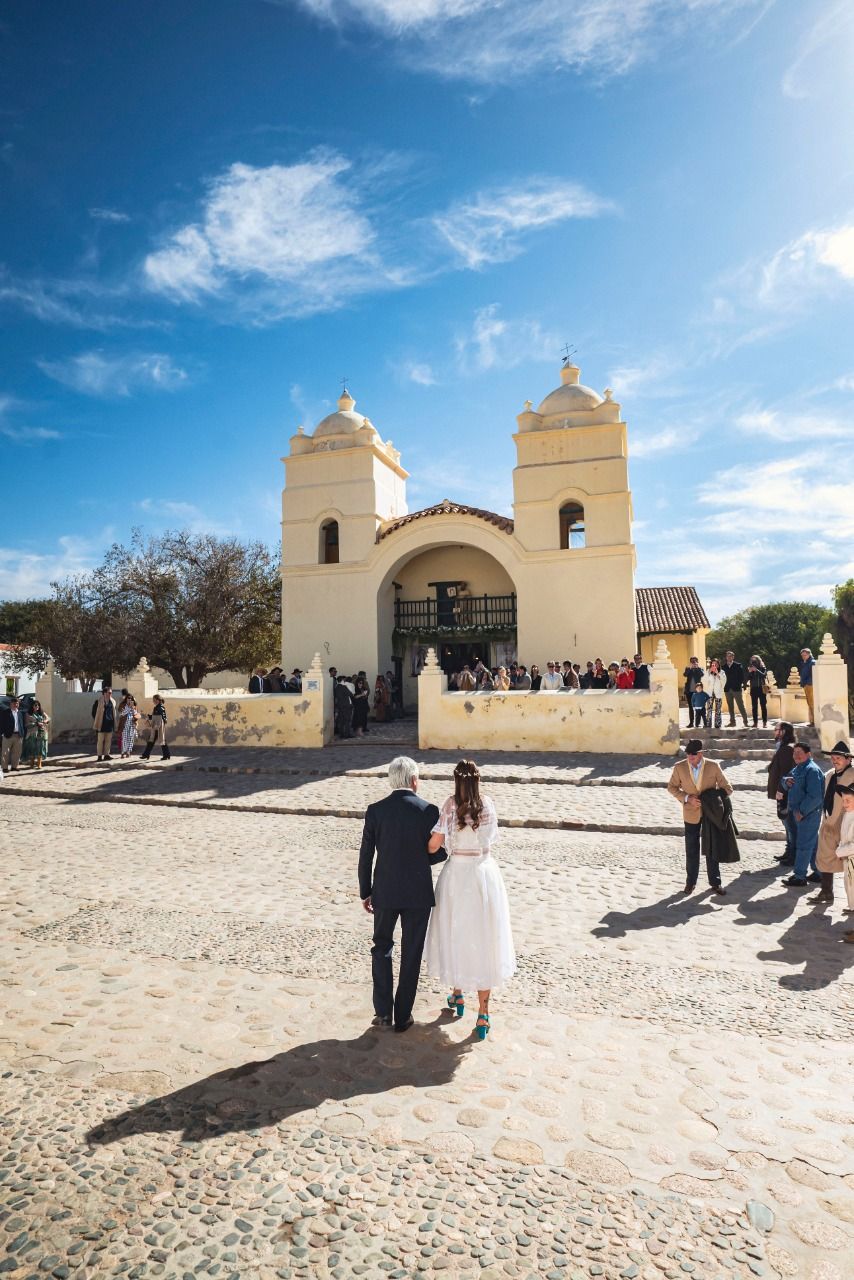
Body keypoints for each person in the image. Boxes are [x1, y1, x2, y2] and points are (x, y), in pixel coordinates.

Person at [425, 759, 515, 1041]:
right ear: (477, 780)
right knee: (484, 936)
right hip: (483, 874)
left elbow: (434, 844)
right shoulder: (486, 805)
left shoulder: (450, 805)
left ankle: (457, 994)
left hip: (456, 875)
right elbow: (491, 838)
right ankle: (484, 1012)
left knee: (456, 933)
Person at [358, 756, 442, 1032]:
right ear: (414, 781)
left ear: (392, 780)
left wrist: (365, 891)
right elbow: (436, 853)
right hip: (417, 893)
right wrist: (419, 856)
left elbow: (366, 855)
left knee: (381, 946)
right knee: (411, 952)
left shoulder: (375, 811)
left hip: (384, 890)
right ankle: (403, 1015)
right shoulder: (428, 810)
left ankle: (383, 1012)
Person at [667, 738, 732, 894]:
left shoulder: (713, 766)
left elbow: (728, 788)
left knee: (712, 849)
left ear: (701, 753)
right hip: (690, 814)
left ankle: (715, 882)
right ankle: (690, 882)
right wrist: (687, 798)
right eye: (688, 754)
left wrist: (710, 799)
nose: (690, 757)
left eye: (694, 754)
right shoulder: (679, 767)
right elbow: (671, 787)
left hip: (711, 815)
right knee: (691, 849)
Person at [812, 742, 854, 904]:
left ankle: (852, 901)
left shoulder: (853, 774)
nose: (835, 760)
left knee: (850, 860)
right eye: (833, 757)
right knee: (824, 857)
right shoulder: (829, 774)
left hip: (847, 822)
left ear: (848, 759)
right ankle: (826, 891)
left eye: (839, 758)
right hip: (829, 821)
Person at [780, 742, 824, 888]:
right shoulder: (798, 769)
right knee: (813, 844)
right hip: (799, 814)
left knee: (804, 845)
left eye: (800, 752)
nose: (796, 755)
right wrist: (786, 782)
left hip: (808, 815)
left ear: (808, 754)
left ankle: (800, 876)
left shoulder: (812, 770)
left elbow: (815, 797)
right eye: (795, 752)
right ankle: (819, 872)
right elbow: (785, 781)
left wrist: (802, 811)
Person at [768, 721, 796, 867]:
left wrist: (781, 791)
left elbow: (786, 773)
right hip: (782, 793)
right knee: (786, 823)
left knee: (789, 824)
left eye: (776, 729)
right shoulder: (783, 748)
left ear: (783, 732)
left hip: (785, 793)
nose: (775, 732)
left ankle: (793, 854)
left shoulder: (786, 749)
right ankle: (789, 851)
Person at [834, 785, 854, 928]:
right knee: (849, 888)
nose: (845, 803)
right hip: (848, 859)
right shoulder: (848, 814)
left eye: (848, 800)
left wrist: (839, 852)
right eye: (843, 800)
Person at [722, 651, 749, 728]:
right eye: (728, 656)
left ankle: (745, 722)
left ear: (733, 657)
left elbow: (741, 677)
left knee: (741, 705)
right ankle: (732, 722)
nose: (729, 657)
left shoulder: (738, 665)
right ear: (726, 657)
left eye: (731, 656)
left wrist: (739, 684)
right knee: (730, 707)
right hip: (727, 689)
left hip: (736, 689)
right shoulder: (723, 667)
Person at [141, 694, 170, 761]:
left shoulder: (160, 707)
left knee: (154, 740)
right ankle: (166, 755)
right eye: (153, 700)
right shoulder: (158, 707)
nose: (153, 701)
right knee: (157, 740)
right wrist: (148, 716)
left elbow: (160, 717)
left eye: (154, 700)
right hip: (157, 726)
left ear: (158, 700)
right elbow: (155, 716)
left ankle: (146, 754)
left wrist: (156, 725)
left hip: (158, 726)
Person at [22, 699, 50, 769]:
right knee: (32, 748)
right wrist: (36, 724)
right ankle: (31, 763)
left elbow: (48, 718)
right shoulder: (28, 714)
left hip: (42, 732)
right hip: (32, 733)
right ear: (32, 706)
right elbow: (26, 724)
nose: (37, 706)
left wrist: (45, 721)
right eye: (35, 705)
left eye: (38, 705)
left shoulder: (41, 712)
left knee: (40, 748)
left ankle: (39, 763)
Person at [0, 695, 26, 772]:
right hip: (8, 735)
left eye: (17, 703)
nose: (15, 704)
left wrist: (23, 733)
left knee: (17, 752)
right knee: (5, 752)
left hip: (18, 735)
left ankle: (14, 766)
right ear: (10, 704)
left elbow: (22, 724)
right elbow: (1, 723)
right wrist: (2, 733)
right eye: (14, 703)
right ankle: (4, 768)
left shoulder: (20, 713)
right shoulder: (5, 712)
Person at [92, 686, 117, 762]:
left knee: (108, 741)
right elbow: (93, 713)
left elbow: (114, 713)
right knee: (100, 741)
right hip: (101, 724)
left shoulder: (113, 701)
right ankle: (99, 756)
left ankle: (106, 755)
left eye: (111, 693)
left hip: (109, 724)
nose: (110, 694)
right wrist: (98, 720)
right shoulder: (98, 701)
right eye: (109, 692)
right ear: (105, 693)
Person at [746, 655, 768, 728]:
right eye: (752, 661)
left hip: (761, 688)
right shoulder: (751, 668)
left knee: (763, 706)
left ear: (758, 661)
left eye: (755, 661)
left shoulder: (763, 667)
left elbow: (763, 675)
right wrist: (750, 672)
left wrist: (756, 670)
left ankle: (764, 722)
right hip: (753, 689)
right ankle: (755, 723)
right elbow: (748, 678)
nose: (753, 662)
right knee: (754, 707)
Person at [683, 657, 704, 727]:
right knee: (691, 707)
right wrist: (690, 668)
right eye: (692, 661)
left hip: (698, 691)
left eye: (695, 661)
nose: (694, 663)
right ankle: (691, 723)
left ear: (697, 662)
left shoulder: (700, 669)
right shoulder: (688, 668)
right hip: (689, 691)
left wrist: (697, 668)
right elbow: (685, 675)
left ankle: (697, 723)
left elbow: (702, 674)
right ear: (690, 662)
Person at [117, 693, 140, 759]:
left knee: (130, 739)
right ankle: (123, 752)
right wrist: (128, 708)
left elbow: (136, 715)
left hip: (132, 725)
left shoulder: (134, 706)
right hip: (124, 724)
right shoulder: (123, 705)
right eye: (128, 698)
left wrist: (133, 709)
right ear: (126, 699)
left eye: (131, 698)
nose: (129, 699)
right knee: (124, 739)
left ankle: (128, 752)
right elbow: (121, 714)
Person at [705, 659, 725, 730]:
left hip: (718, 693)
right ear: (711, 665)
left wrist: (717, 674)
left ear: (718, 665)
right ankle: (708, 723)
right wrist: (709, 672)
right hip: (709, 693)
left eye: (716, 664)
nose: (714, 665)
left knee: (718, 709)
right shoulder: (707, 672)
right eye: (713, 664)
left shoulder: (722, 672)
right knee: (709, 709)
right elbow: (704, 680)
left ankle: (718, 724)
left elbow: (724, 681)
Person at [798, 648, 816, 724]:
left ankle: (814, 721)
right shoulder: (805, 663)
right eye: (802, 655)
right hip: (806, 685)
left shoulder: (812, 662)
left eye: (804, 655)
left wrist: (807, 683)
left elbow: (813, 675)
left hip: (810, 685)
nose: (803, 657)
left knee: (811, 703)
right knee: (809, 703)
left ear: (809, 654)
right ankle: (812, 721)